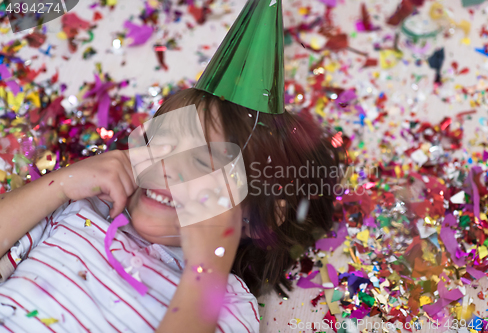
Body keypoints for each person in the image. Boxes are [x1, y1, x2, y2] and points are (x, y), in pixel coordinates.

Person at [0, 0, 345, 332]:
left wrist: (208, 268)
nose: (163, 165)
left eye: (200, 161)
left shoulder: (228, 303)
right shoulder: (78, 213)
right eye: (157, 143)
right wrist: (61, 184)